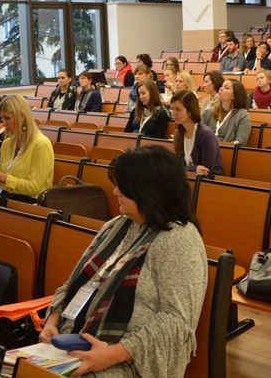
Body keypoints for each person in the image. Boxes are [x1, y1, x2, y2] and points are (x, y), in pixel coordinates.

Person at [39, 146, 206, 378]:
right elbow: (74, 283)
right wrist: (53, 321)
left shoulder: (179, 239)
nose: (115, 191)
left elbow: (177, 323)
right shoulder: (116, 226)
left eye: (123, 187)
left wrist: (111, 354)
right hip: (74, 343)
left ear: (147, 192)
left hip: (131, 362)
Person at [0, 95, 54, 203]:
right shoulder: (7, 143)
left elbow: (34, 188)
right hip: (6, 195)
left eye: (7, 118)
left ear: (22, 117)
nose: (3, 123)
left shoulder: (41, 144)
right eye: (2, 118)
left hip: (30, 201)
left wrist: (3, 177)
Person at [170, 90, 223, 176]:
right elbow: (174, 167)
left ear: (190, 111)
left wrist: (186, 170)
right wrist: (194, 169)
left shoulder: (206, 135)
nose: (173, 113)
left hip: (209, 182)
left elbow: (207, 172)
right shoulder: (178, 132)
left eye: (178, 109)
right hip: (187, 178)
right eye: (172, 109)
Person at [202, 79, 251, 145]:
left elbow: (240, 141)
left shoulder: (242, 115)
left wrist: (221, 146)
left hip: (227, 150)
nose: (220, 89)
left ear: (234, 95)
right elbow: (199, 133)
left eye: (226, 88)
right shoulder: (209, 112)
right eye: (222, 86)